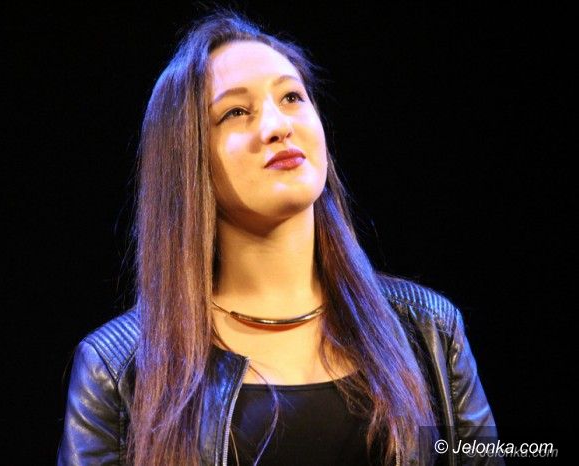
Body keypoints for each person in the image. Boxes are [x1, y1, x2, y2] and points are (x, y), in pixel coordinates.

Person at [58, 9, 500, 466]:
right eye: (235, 112)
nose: (277, 126)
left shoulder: (430, 331)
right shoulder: (118, 368)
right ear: (187, 160)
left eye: (291, 97)